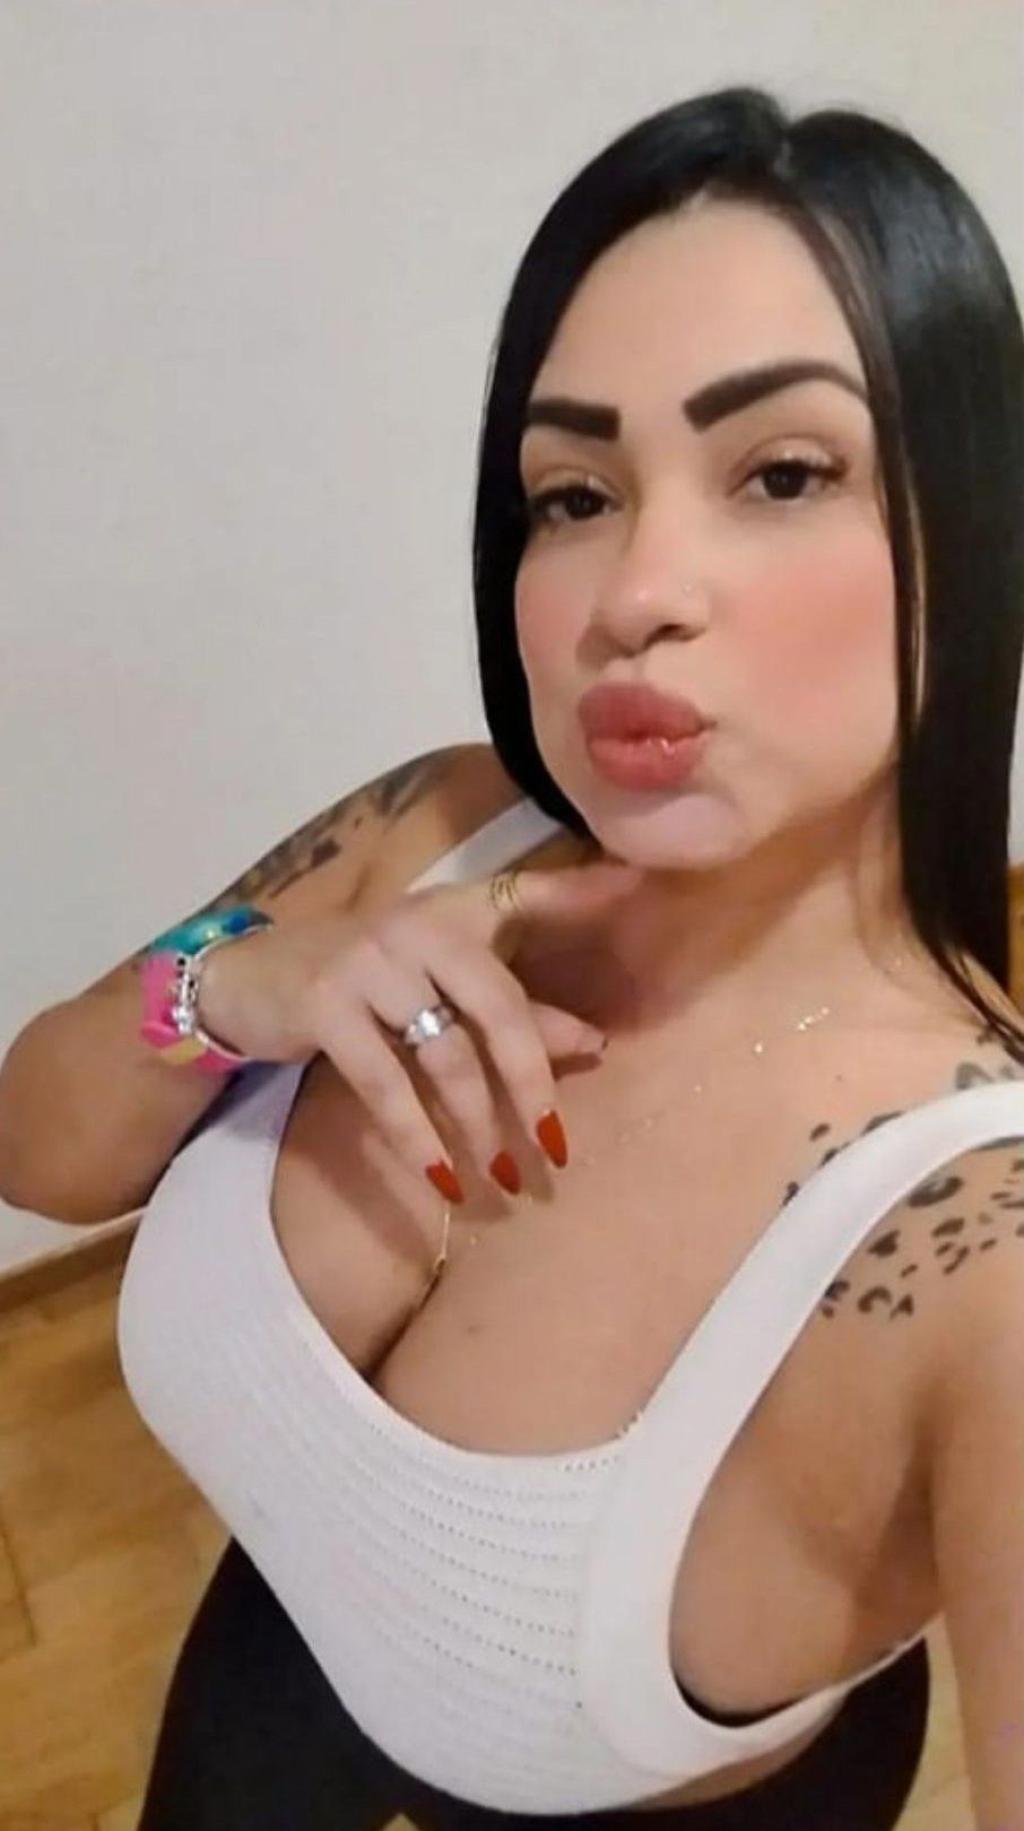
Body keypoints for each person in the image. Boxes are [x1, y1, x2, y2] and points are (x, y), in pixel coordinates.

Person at [3, 82, 1024, 1829]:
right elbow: (34, 1146)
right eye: (573, 493)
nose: (633, 590)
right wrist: (234, 984)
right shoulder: (433, 825)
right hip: (288, 1630)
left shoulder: (977, 1252)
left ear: (974, 520)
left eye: (783, 473)